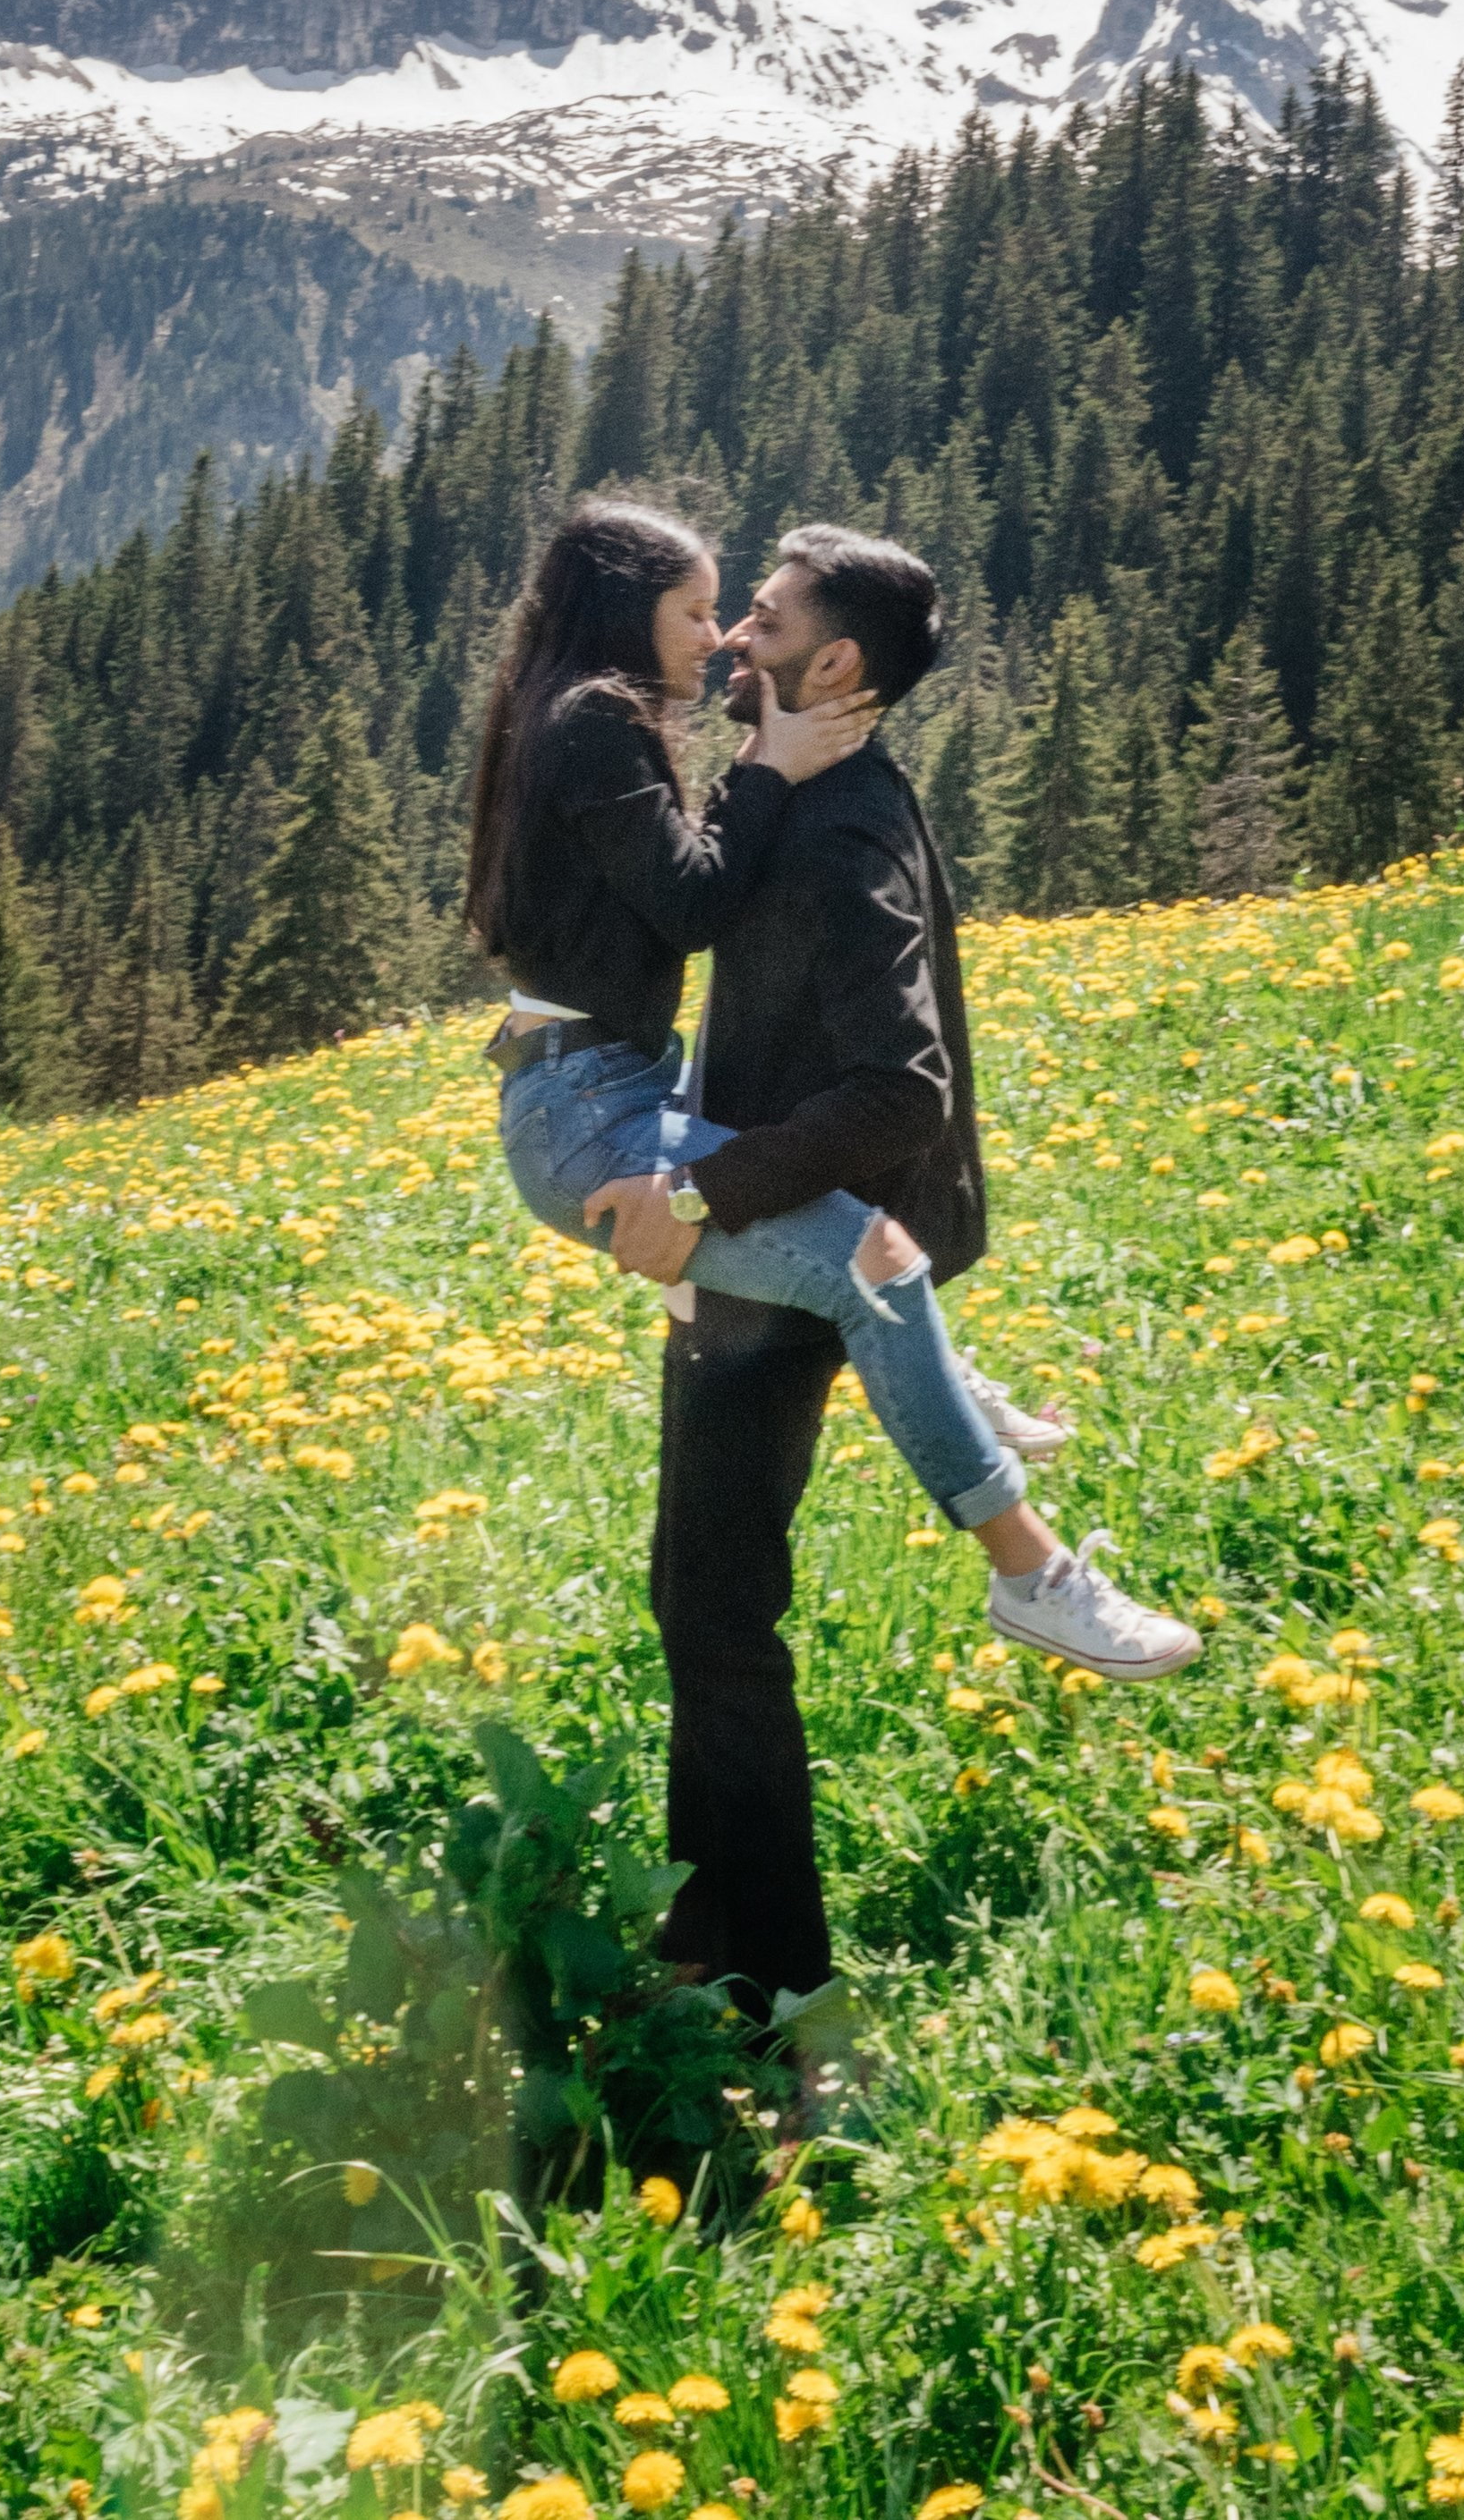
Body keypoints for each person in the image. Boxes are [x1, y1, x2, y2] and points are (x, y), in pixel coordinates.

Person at [616, 525, 1205, 2014]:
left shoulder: (843, 834)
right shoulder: (812, 798)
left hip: (781, 1250)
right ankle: (717, 1941)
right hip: (779, 1239)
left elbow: (900, 1088)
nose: (736, 633)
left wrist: (698, 1189)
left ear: (838, 666)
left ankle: (762, 1982)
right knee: (700, 1593)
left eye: (766, 615)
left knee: (715, 1603)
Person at [465, 498, 1094, 1562]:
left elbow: (673, 875)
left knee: (859, 1248)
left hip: (604, 1083)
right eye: (700, 610)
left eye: (737, 612)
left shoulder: (579, 712)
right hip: (583, 1105)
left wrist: (770, 767)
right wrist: (771, 766)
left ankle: (943, 1384)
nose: (717, 639)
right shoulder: (589, 722)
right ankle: (1029, 1566)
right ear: (629, 611)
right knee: (873, 1265)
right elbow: (694, 902)